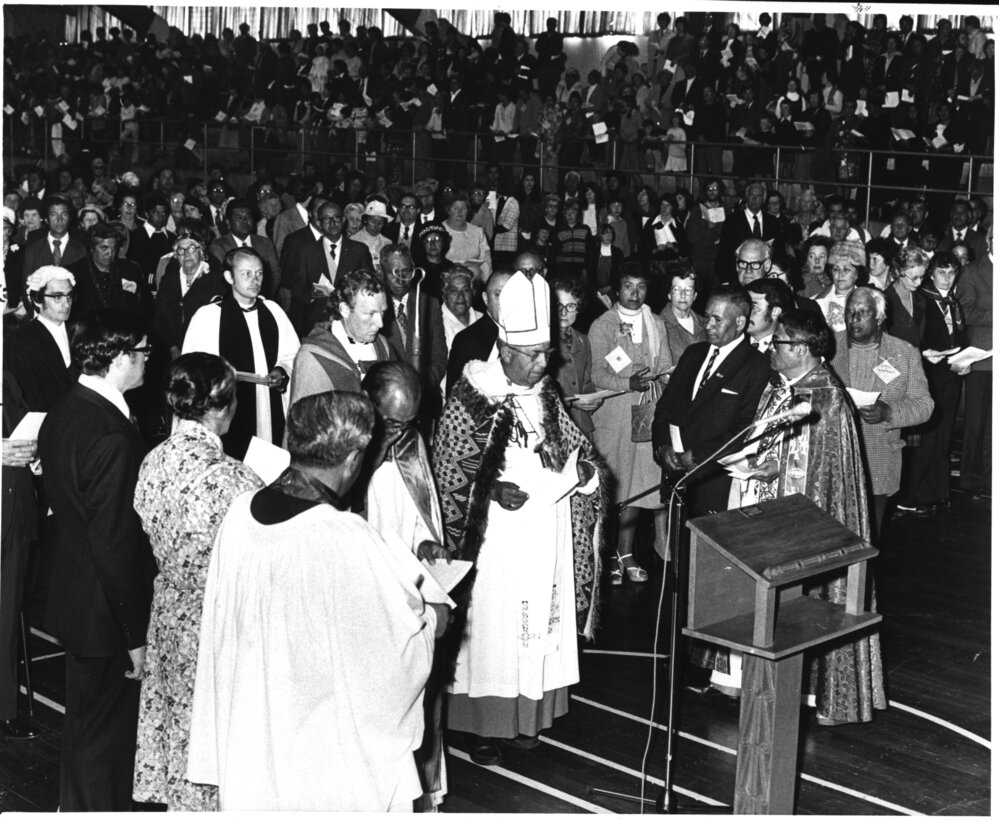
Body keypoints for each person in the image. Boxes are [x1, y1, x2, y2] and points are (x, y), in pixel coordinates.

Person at [187, 392, 441, 811]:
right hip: (318, 749)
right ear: (353, 460)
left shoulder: (240, 512)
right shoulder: (342, 536)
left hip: (255, 728)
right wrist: (432, 620)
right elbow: (390, 663)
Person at [433, 270, 605, 766]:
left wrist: (585, 469)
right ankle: (479, 726)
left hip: (542, 531)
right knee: (493, 630)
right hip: (495, 542)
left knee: (534, 627)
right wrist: (488, 491)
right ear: (504, 349)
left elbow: (573, 446)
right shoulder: (472, 393)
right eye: (531, 355)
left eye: (545, 354)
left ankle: (528, 717)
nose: (541, 364)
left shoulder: (546, 393)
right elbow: (449, 471)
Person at [740, 309, 887, 726]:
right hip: (771, 512)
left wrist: (774, 468)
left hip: (814, 521)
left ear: (802, 350)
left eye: (780, 342)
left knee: (819, 602)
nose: (771, 347)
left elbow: (821, 471)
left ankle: (826, 696)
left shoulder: (825, 397)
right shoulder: (782, 386)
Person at [37, 308, 158, 810]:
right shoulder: (113, 433)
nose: (150, 361)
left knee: (84, 728)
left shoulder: (67, 407)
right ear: (119, 358)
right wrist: (135, 636)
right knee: (105, 742)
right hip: (103, 612)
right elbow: (115, 545)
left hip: (72, 594)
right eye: (144, 352)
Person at [132, 354, 263, 811]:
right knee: (214, 748)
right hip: (216, 623)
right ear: (223, 407)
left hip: (169, 615)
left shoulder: (151, 461)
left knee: (178, 739)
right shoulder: (232, 477)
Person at [361, 361, 452, 811]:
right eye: (392, 422)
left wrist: (429, 543)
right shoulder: (346, 447)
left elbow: (417, 515)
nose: (400, 433)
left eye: (409, 422)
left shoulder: (412, 444)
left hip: (407, 593)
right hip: (363, 600)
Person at [652, 284, 770, 515]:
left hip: (716, 484)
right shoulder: (693, 354)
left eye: (717, 319)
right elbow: (664, 408)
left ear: (740, 323)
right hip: (676, 481)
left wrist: (697, 456)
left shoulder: (757, 365)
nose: (708, 325)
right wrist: (661, 449)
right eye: (706, 317)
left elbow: (745, 428)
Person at [589, 263, 673, 578]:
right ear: (617, 288)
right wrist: (628, 384)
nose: (634, 294)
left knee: (638, 485)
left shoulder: (656, 323)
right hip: (614, 416)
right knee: (615, 486)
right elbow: (597, 372)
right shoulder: (603, 325)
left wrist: (663, 377)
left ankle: (627, 553)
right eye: (628, 286)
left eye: (640, 287)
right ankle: (607, 554)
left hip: (645, 413)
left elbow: (665, 363)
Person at [829, 288, 933, 540]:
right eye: (850, 312)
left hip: (879, 458)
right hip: (834, 456)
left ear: (879, 318)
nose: (854, 319)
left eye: (863, 313)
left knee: (868, 538)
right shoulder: (829, 348)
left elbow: (924, 405)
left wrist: (889, 412)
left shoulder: (903, 353)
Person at [182, 247, 300, 459]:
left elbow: (292, 354)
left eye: (259, 273)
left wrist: (281, 370)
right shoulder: (208, 317)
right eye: (246, 273)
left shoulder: (273, 311)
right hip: (228, 409)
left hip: (268, 402)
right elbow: (192, 369)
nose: (255, 280)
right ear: (229, 276)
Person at [897, 252, 967, 515]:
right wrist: (927, 353)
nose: (946, 278)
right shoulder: (923, 299)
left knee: (944, 437)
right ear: (931, 273)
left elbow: (959, 335)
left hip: (950, 374)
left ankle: (939, 492)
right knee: (928, 436)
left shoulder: (953, 301)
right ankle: (916, 495)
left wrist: (965, 358)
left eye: (951, 273)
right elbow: (914, 337)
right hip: (927, 373)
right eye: (941, 273)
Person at [0, 371, 39, 741]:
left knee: (7, 614)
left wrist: (34, 454)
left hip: (14, 506)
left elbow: (25, 432)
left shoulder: (8, 380)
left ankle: (5, 710)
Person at [289, 268, 395, 400]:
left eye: (383, 312)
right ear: (344, 309)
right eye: (370, 314)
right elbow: (304, 418)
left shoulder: (383, 346)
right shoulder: (314, 358)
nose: (380, 324)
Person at [377, 244, 448, 423]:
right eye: (394, 272)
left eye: (407, 271)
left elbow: (439, 356)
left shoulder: (429, 303)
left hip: (424, 400)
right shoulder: (376, 309)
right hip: (388, 404)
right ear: (381, 272)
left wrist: (421, 387)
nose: (401, 279)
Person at [4, 266, 77, 412]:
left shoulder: (79, 331)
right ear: (37, 300)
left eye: (69, 296)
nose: (66, 304)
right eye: (57, 297)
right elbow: (28, 397)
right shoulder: (20, 341)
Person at [953, 234, 992, 500]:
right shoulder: (972, 271)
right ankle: (970, 479)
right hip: (981, 359)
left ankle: (992, 480)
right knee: (976, 424)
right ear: (990, 240)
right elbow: (964, 312)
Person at [67, 223, 151, 322]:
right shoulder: (75, 273)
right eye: (104, 248)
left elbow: (146, 306)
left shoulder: (130, 269)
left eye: (114, 248)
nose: (110, 253)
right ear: (91, 248)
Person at [444, 268, 510, 395]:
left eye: (511, 293)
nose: (505, 301)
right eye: (498, 294)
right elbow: (455, 401)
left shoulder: (528, 338)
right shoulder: (466, 340)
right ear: (485, 299)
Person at [553, 276, 602, 440]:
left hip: (581, 426)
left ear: (579, 307)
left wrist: (593, 401)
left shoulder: (583, 340)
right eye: (558, 306)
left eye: (571, 306)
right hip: (554, 427)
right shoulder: (541, 342)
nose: (564, 312)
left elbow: (587, 384)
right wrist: (571, 402)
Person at [208, 199, 282, 300]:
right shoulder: (219, 246)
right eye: (239, 217)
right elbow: (221, 281)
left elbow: (275, 275)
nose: (245, 221)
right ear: (228, 222)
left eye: (248, 217)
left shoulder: (265, 243)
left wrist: (262, 298)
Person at [716, 182, 779, 284]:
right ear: (746, 197)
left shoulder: (773, 222)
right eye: (751, 195)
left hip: (766, 280)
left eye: (758, 196)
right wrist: (725, 281)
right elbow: (723, 253)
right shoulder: (732, 220)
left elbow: (778, 253)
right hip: (737, 279)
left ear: (763, 199)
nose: (754, 199)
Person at [814, 240, 867, 333]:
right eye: (836, 269)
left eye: (846, 270)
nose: (840, 274)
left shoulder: (868, 300)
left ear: (857, 274)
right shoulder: (819, 302)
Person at [659, 260, 706, 362]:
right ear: (669, 294)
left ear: (695, 296)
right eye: (677, 289)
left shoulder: (705, 323)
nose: (683, 294)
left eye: (688, 289)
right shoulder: (659, 325)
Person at [746, 277, 794, 353]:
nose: (745, 312)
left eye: (753, 307)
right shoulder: (734, 343)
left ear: (775, 312)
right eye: (745, 306)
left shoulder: (787, 351)